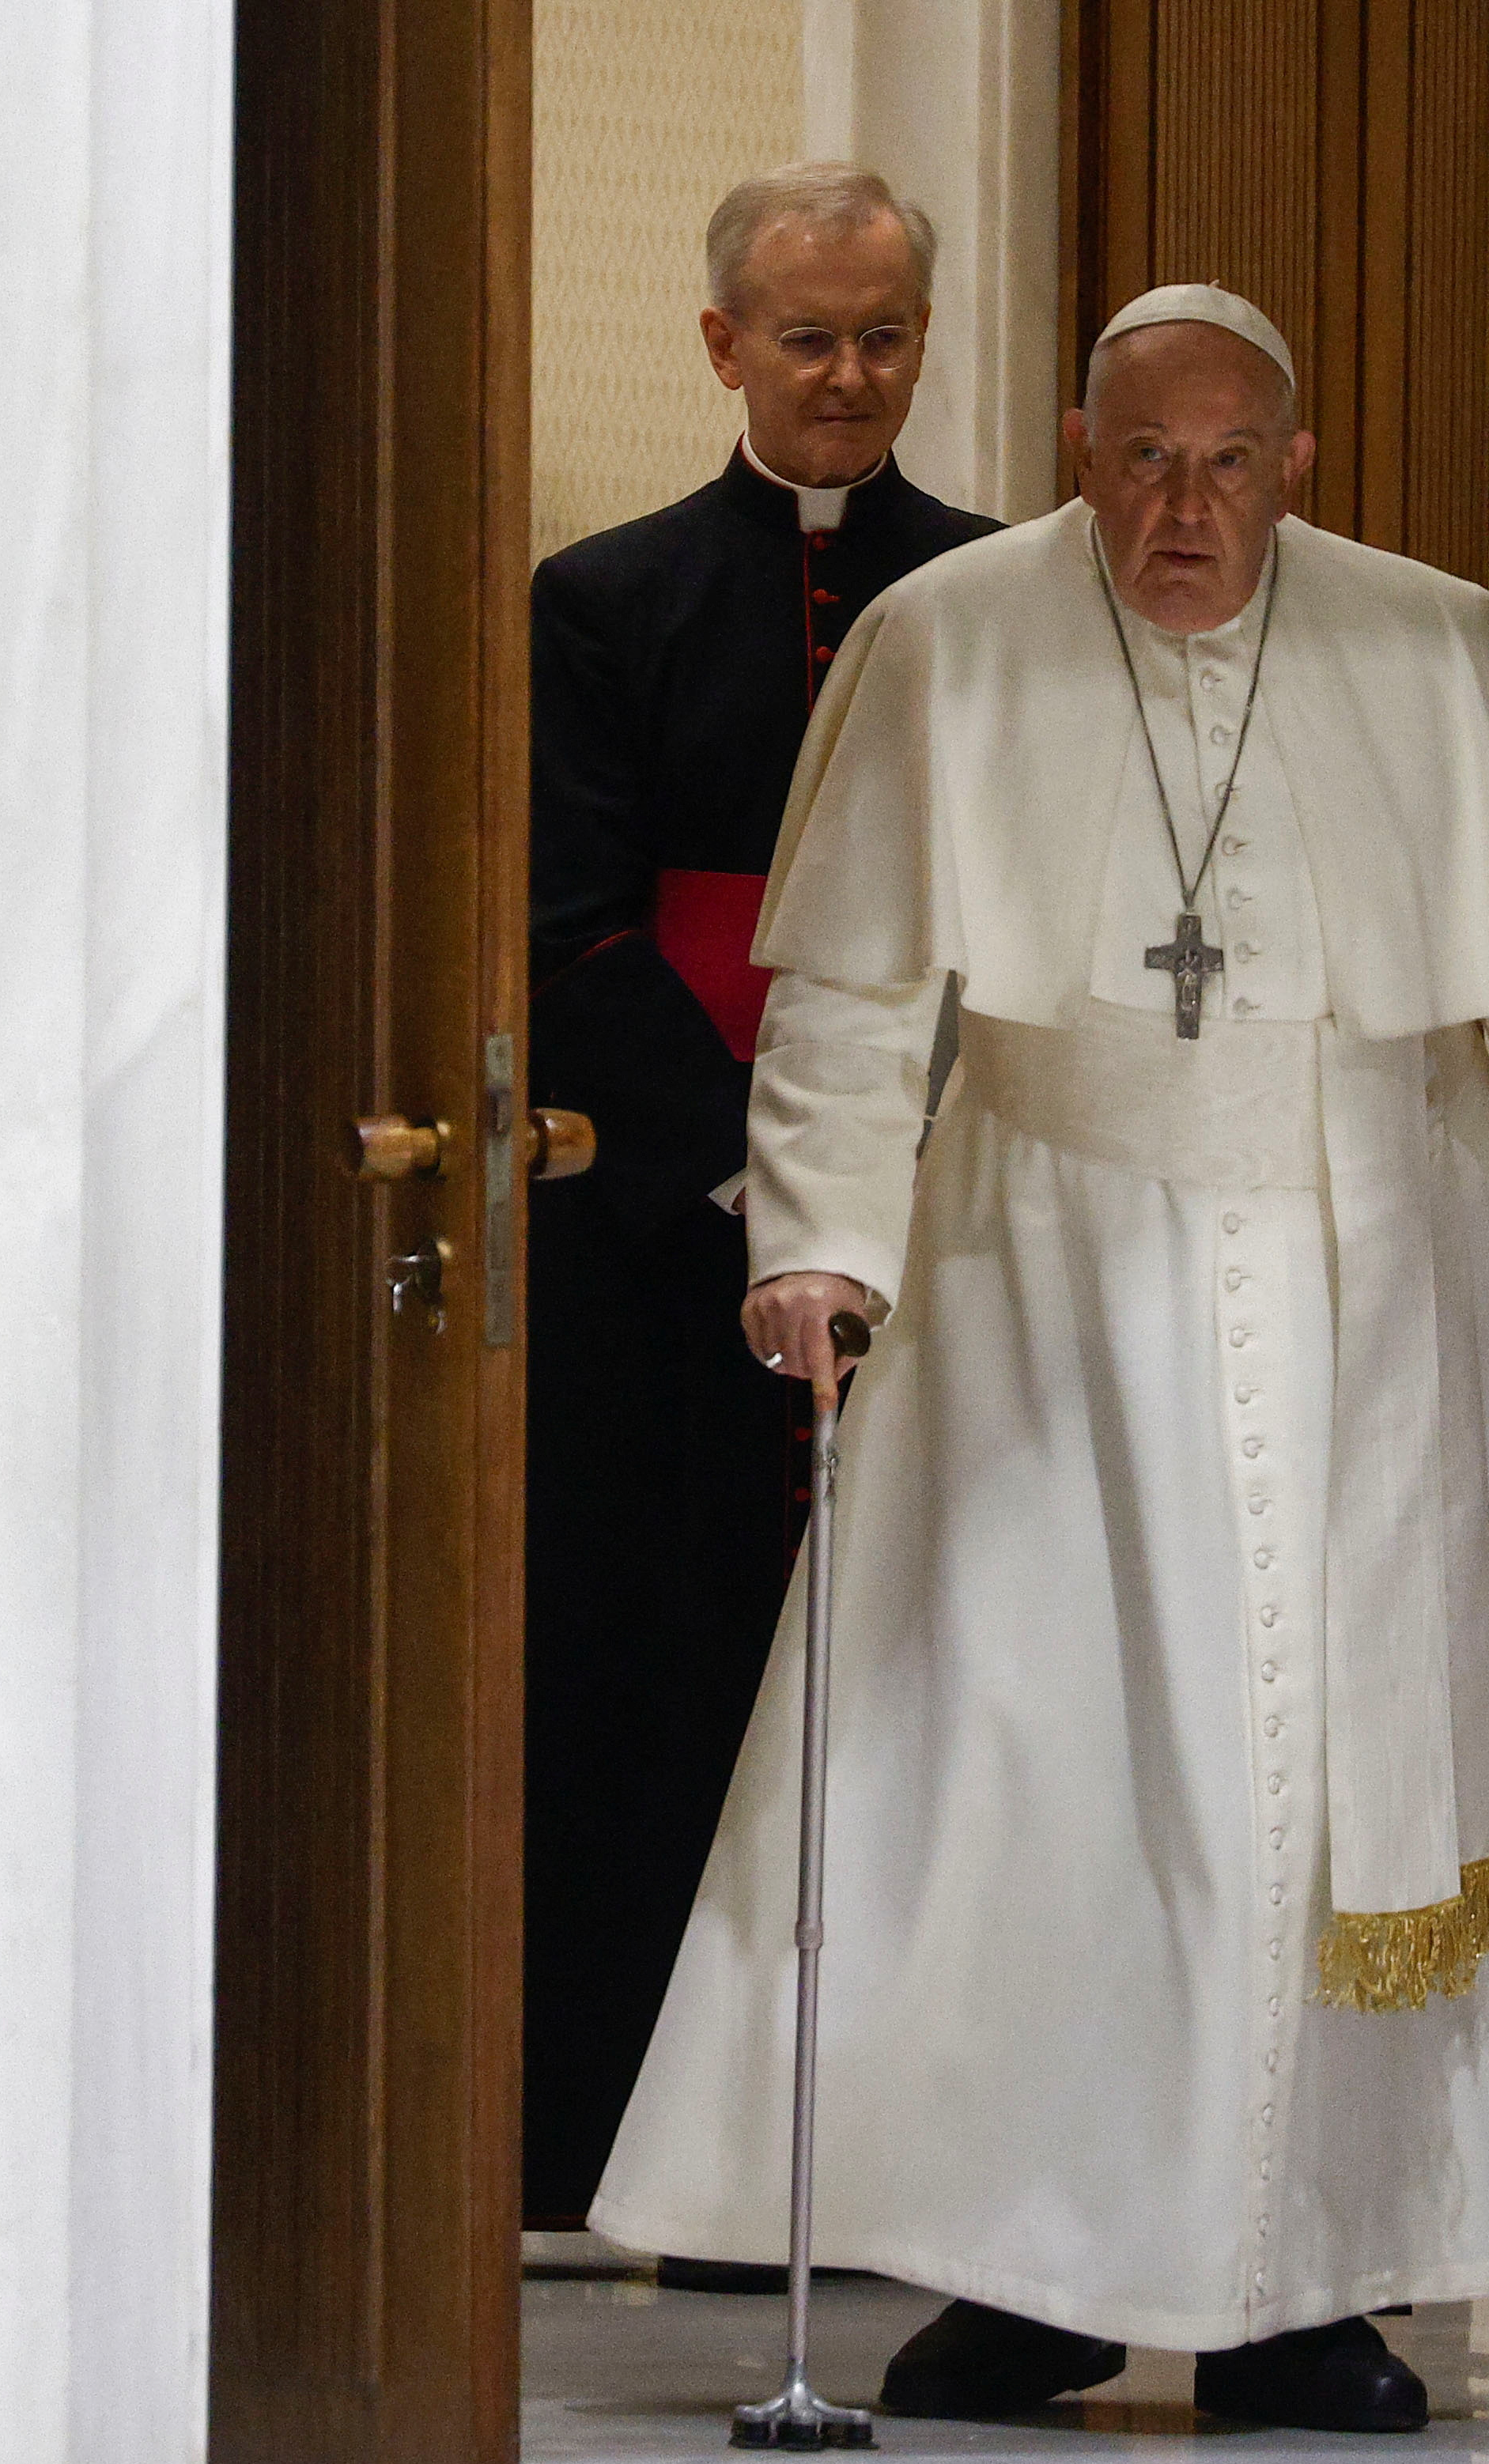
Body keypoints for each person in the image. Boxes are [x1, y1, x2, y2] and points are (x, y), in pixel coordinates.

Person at [589, 285, 1489, 2429]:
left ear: (1298, 466)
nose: (1185, 509)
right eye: (1144, 460)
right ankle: (1029, 2274)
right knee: (1038, 1775)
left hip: (1376, 1267)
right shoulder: (949, 638)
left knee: (1322, 1794)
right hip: (1039, 1280)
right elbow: (850, 998)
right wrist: (817, 1243)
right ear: (1082, 451)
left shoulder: (1432, 643)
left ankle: (1308, 2293)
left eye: (1231, 463)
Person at [522, 164, 996, 2232]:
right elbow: (569, 936)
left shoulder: (995, 598)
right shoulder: (604, 604)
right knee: (658, 1684)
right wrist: (763, 1168)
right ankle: (624, 2152)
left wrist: (902, 1169)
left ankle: (893, 2158)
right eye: (807, 338)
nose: (850, 377)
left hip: (953, 1231)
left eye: (885, 335)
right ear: (722, 344)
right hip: (661, 1241)